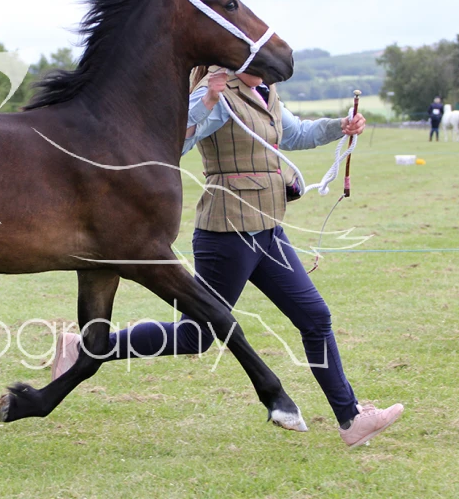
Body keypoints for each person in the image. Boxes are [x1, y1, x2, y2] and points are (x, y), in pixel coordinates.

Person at [52, 65, 403, 448]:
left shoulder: (265, 93)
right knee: (195, 335)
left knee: (315, 318)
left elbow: (297, 133)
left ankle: (351, 418)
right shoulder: (216, 93)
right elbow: (175, 142)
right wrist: (206, 101)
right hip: (227, 235)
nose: (270, 69)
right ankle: (84, 348)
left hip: (268, 231)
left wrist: (341, 126)